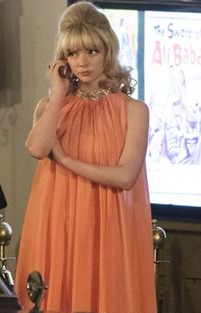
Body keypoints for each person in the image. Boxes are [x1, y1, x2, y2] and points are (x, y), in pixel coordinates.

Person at [15, 1, 157, 313]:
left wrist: (65, 160)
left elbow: (124, 176)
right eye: (73, 53)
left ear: (107, 51)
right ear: (62, 59)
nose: (83, 61)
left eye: (92, 51)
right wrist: (58, 93)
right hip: (57, 224)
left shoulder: (134, 110)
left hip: (109, 228)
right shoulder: (49, 107)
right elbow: (38, 149)